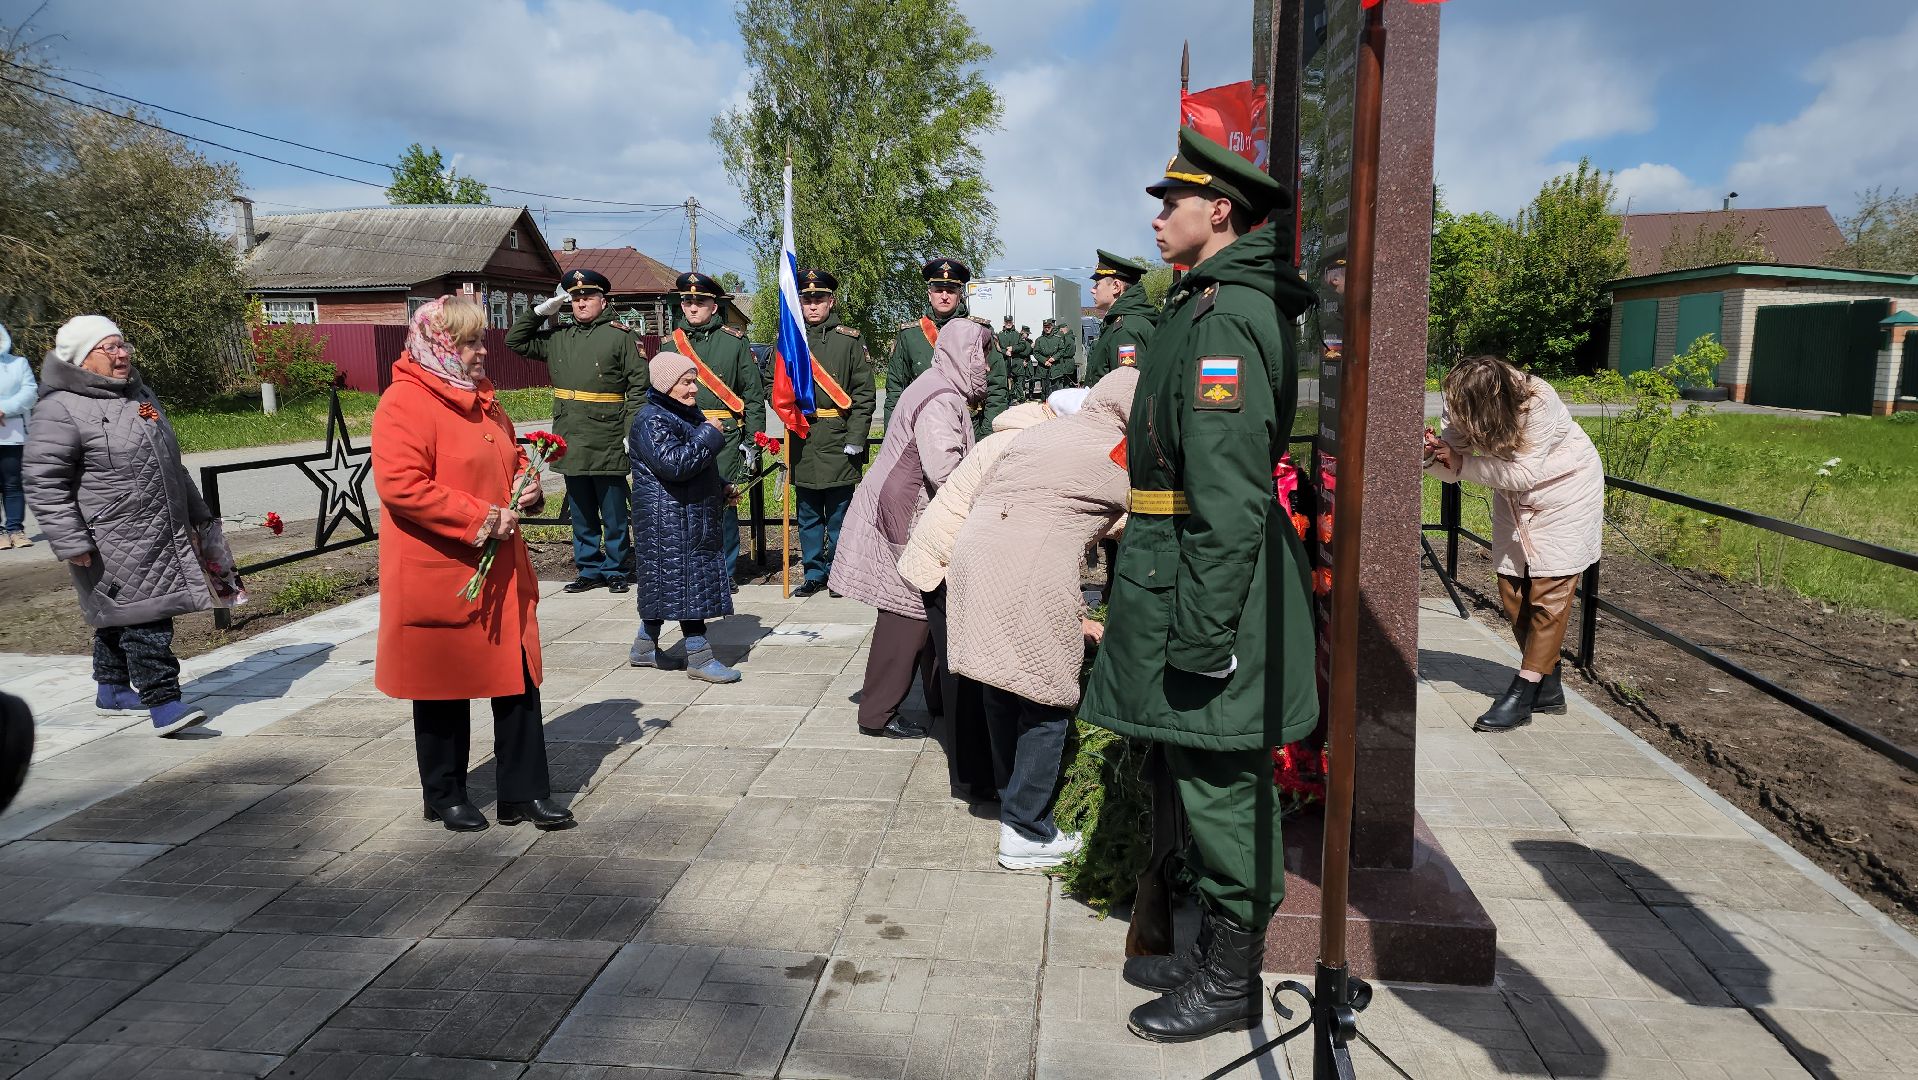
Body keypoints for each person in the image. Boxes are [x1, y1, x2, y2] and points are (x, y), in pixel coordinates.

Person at [1078, 127, 1317, 1042]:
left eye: (1171, 201)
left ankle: (1230, 982)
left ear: (1220, 211)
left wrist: (1206, 633)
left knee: (1222, 781)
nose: (1156, 216)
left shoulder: (1224, 320)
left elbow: (1226, 494)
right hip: (1182, 570)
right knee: (1208, 771)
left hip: (1210, 585)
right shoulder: (1207, 302)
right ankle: (1217, 958)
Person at [372, 297, 570, 833]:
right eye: (469, 343)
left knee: (518, 679)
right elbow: (401, 486)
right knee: (442, 684)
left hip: (500, 570)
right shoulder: (404, 402)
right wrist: (482, 517)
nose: (482, 351)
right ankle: (444, 794)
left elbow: (508, 458)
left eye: (482, 340)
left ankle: (524, 794)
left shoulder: (484, 399)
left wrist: (526, 486)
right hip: (443, 567)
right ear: (438, 344)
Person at [947, 369, 1138, 870]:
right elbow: (1142, 514)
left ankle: (1011, 800)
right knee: (1046, 699)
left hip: (974, 560)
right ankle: (1027, 831)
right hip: (1026, 572)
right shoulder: (1116, 449)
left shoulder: (1046, 431)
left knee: (1001, 684)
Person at [22, 316, 217, 736]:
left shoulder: (139, 395)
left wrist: (196, 512)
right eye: (108, 348)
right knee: (148, 618)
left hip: (159, 529)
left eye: (122, 344)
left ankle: (111, 690)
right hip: (110, 535)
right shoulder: (59, 408)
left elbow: (169, 463)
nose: (122, 353)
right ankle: (165, 704)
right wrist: (69, 540)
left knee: (119, 614)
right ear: (81, 359)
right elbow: (44, 481)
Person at [899, 392, 1068, 801]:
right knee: (966, 676)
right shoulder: (1020, 447)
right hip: (946, 562)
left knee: (970, 672)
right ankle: (975, 780)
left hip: (955, 557)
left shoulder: (1024, 436)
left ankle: (982, 774)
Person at [831, 318, 992, 739]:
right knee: (906, 612)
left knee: (932, 605)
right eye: (983, 356)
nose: (988, 366)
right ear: (966, 356)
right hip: (908, 512)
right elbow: (945, 469)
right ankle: (876, 714)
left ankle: (939, 700)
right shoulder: (941, 397)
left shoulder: (936, 384)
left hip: (906, 506)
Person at [1424, 354, 1602, 732]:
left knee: (1549, 592)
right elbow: (1452, 465)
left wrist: (1461, 462)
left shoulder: (1537, 400)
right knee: (1512, 589)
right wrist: (1431, 456)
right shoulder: (1460, 398)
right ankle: (1548, 688)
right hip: (1512, 496)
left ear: (1492, 399)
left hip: (1566, 490)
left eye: (1465, 410)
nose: (1456, 415)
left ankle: (1522, 693)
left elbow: (1522, 473)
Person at [506, 268, 646, 595]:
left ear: (603, 300)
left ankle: (616, 568)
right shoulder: (560, 337)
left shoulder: (620, 336)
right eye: (576, 298)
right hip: (570, 434)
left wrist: (633, 432)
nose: (581, 303)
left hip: (608, 435)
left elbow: (639, 389)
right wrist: (541, 311)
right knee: (580, 509)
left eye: (588, 297)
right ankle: (589, 568)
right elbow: (514, 341)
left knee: (613, 510)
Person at [627, 352, 742, 684]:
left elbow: (696, 464)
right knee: (688, 587)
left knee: (668, 585)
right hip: (667, 521)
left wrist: (720, 486)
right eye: (686, 382)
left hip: (684, 515)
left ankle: (644, 648)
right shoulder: (652, 419)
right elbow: (675, 465)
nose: (694, 389)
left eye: (694, 381)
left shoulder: (682, 413)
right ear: (666, 386)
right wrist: (710, 435)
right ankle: (700, 658)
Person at [663, 272, 763, 590]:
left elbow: (753, 395)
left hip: (725, 437)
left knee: (723, 503)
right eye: (687, 302)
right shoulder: (670, 345)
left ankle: (724, 570)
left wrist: (753, 440)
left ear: (714, 307)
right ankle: (690, 568)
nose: (693, 307)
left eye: (700, 302)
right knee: (683, 504)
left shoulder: (734, 342)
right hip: (682, 435)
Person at [790, 269, 876, 598]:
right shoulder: (790, 339)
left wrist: (856, 438)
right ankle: (813, 573)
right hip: (803, 437)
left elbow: (864, 394)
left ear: (831, 301)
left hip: (840, 437)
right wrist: (786, 408)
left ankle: (839, 572)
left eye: (819, 299)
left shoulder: (849, 340)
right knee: (808, 513)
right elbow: (772, 382)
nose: (813, 305)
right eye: (807, 299)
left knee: (839, 513)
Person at [887, 258, 1008, 439]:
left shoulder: (980, 331)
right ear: (929, 294)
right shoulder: (910, 335)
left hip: (969, 428)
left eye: (951, 291)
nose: (944, 296)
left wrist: (987, 436)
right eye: (939, 290)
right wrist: (894, 436)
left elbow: (997, 387)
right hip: (922, 429)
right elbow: (895, 390)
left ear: (960, 294)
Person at [1083, 250, 1158, 386]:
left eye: (1097, 284)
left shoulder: (1126, 330)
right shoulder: (1120, 322)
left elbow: (1126, 391)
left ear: (1116, 287)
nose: (1092, 290)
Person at [0, 322, 37, 548]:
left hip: (13, 434)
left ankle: (16, 530)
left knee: (13, 483)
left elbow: (30, 392)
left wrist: (4, 409)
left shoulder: (18, 363)